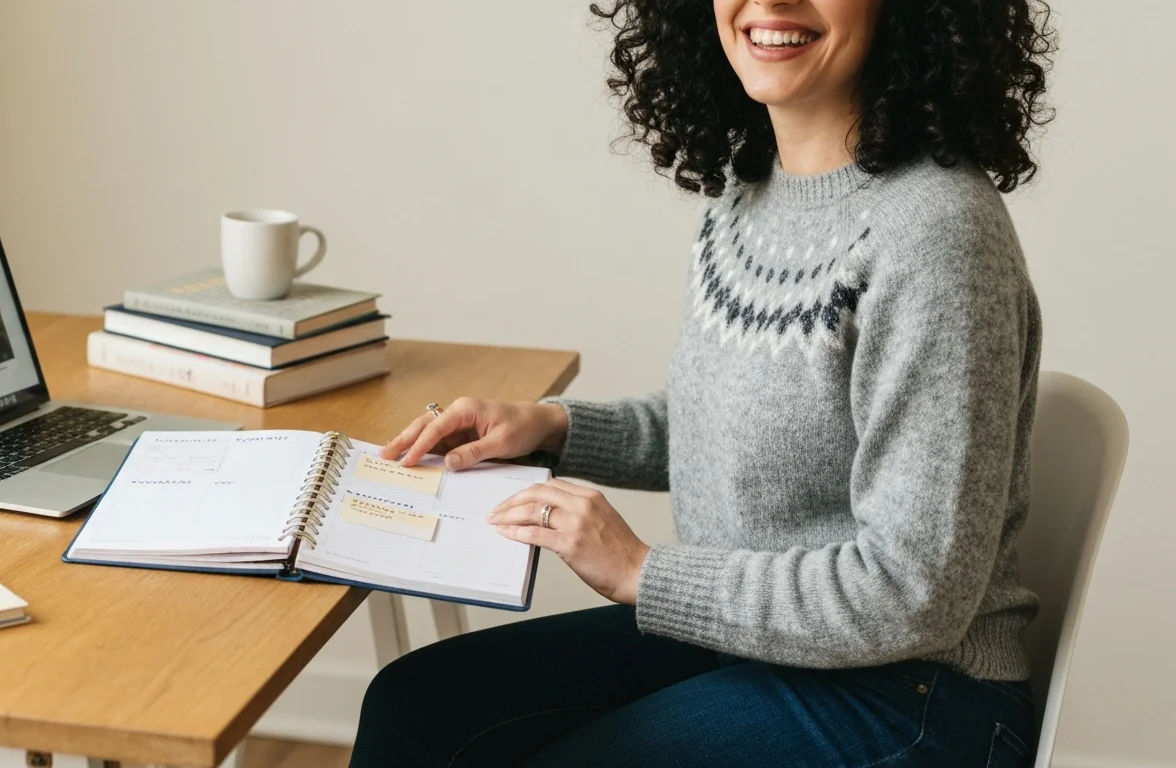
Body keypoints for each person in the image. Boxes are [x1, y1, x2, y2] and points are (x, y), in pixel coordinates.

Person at [350, 0, 1056, 765]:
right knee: (414, 704)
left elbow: (912, 593)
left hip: (912, 694)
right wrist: (554, 429)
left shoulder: (938, 233)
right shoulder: (751, 194)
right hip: (759, 642)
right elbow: (730, 426)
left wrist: (640, 569)